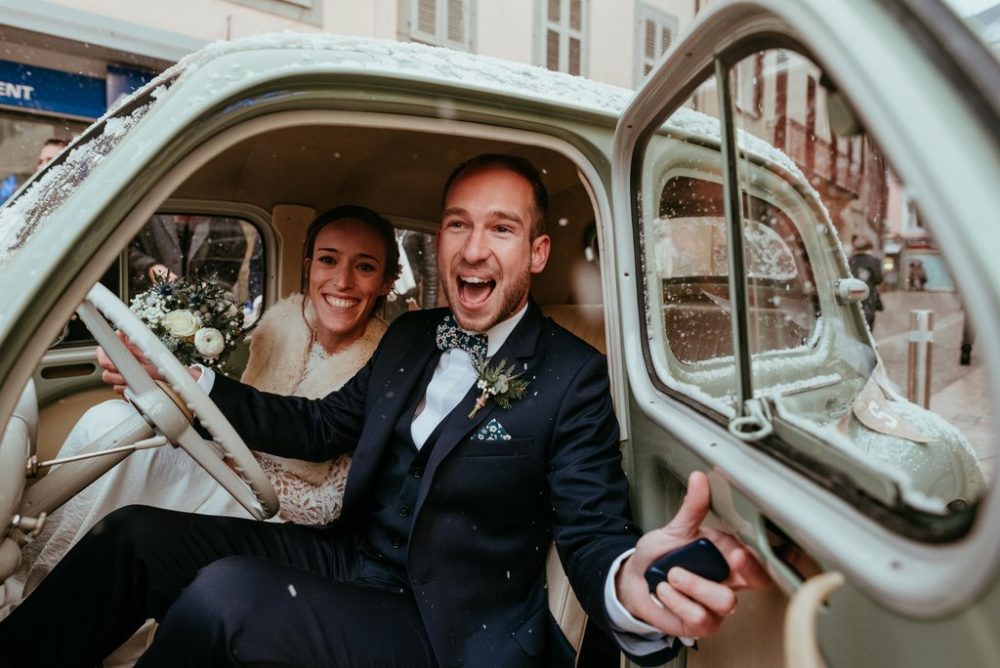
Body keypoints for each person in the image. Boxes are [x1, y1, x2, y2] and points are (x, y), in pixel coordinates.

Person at [0, 155, 766, 667]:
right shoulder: (408, 336)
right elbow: (320, 426)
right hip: (349, 557)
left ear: (534, 253)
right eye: (459, 225)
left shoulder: (573, 379)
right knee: (135, 537)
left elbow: (595, 533)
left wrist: (633, 586)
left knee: (224, 598)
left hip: (444, 625)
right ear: (440, 242)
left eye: (500, 229)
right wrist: (192, 386)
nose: (473, 248)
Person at [1, 205, 397, 616]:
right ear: (309, 265)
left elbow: (327, 483)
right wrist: (173, 389)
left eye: (364, 267)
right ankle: (39, 583)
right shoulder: (282, 325)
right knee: (111, 422)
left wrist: (228, 456)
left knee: (138, 470)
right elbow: (252, 412)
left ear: (386, 282)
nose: (342, 281)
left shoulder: (385, 363)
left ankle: (68, 605)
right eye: (329, 260)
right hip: (229, 466)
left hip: (283, 516)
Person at [128, 213, 260, 296]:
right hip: (148, 304)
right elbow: (124, 247)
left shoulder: (225, 222)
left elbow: (232, 258)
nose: (187, 221)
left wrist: (211, 286)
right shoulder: (147, 210)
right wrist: (149, 267)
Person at [849, 236, 883, 329]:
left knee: (853, 325)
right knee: (868, 327)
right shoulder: (874, 261)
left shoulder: (849, 260)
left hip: (851, 297)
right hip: (868, 297)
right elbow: (878, 279)